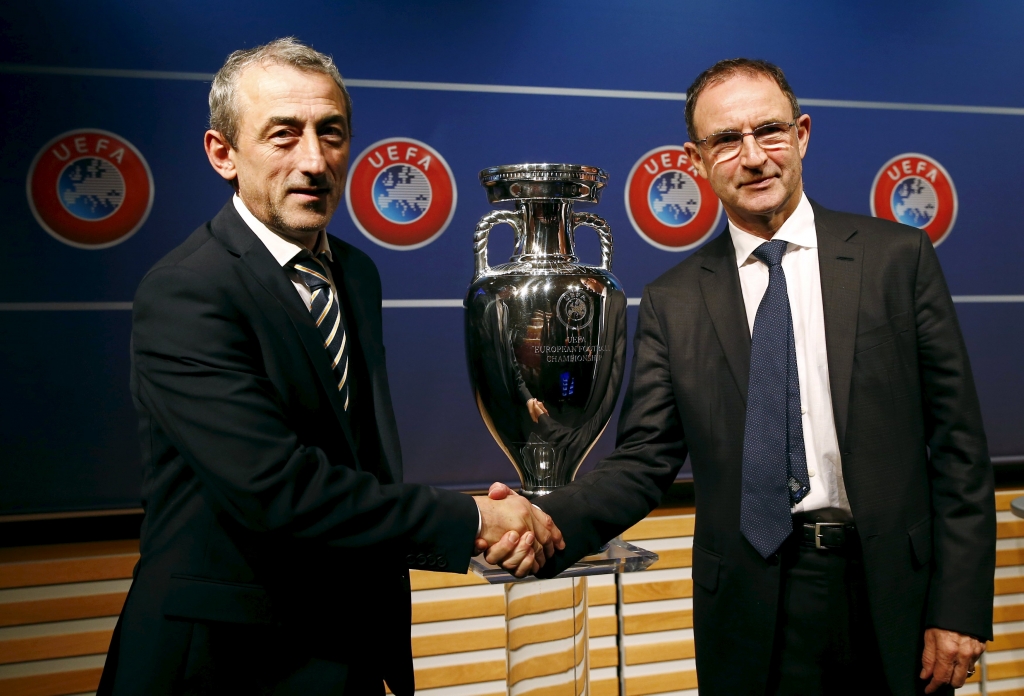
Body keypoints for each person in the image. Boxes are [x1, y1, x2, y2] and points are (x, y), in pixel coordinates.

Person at [488, 58, 995, 695]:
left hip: (894, 592)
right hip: (751, 610)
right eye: (727, 140)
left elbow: (959, 450)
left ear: (803, 134)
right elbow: (644, 461)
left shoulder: (897, 258)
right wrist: (546, 521)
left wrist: (959, 607)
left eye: (770, 131)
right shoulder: (674, 300)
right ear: (695, 161)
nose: (753, 156)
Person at [97, 38, 559, 696]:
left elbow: (358, 462)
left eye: (331, 133)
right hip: (223, 662)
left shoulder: (356, 274)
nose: (314, 161)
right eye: (283, 135)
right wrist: (472, 523)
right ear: (222, 154)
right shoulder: (185, 291)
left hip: (345, 652)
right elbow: (276, 490)